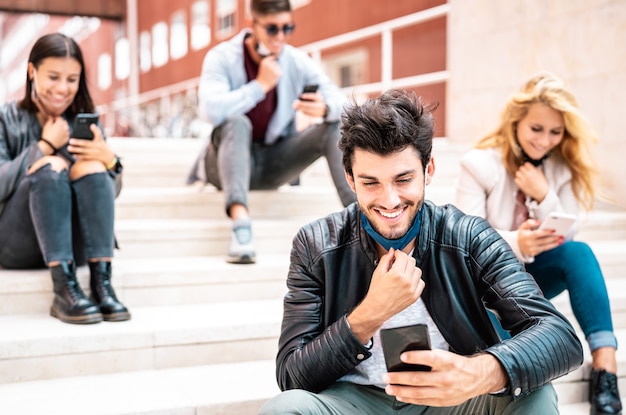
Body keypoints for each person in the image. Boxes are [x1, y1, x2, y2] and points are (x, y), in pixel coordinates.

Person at [258, 89, 583, 415]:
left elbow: (560, 336)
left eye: (403, 179)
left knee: (534, 391)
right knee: (285, 409)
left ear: (428, 170)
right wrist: (370, 313)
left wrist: (480, 372)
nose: (389, 200)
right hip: (353, 401)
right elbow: (291, 374)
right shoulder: (315, 243)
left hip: (453, 401)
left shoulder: (468, 236)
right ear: (350, 179)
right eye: (371, 183)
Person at [455, 72, 622, 415]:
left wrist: (544, 193)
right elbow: (462, 241)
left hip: (533, 278)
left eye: (555, 132)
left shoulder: (562, 168)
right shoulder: (479, 164)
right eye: (536, 129)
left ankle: (605, 368)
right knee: (506, 345)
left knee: (579, 253)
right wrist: (520, 242)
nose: (545, 140)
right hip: (485, 287)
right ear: (516, 122)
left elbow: (567, 236)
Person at [186, 0, 356, 264]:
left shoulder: (295, 61)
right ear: (251, 24)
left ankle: (360, 218)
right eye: (272, 29)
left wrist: (326, 108)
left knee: (332, 125)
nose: (280, 37)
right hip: (222, 165)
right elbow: (210, 110)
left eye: (287, 28)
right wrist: (259, 86)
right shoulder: (222, 57)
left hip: (272, 164)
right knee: (236, 122)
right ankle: (241, 224)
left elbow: (344, 104)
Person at [0, 33, 130, 325]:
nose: (62, 89)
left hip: (76, 245)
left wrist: (108, 159)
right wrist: (43, 146)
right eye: (53, 77)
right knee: (51, 166)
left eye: (72, 80)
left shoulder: (84, 120)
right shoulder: (5, 117)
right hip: (17, 244)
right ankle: (64, 289)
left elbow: (109, 193)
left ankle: (102, 285)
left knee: (93, 168)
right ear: (32, 71)